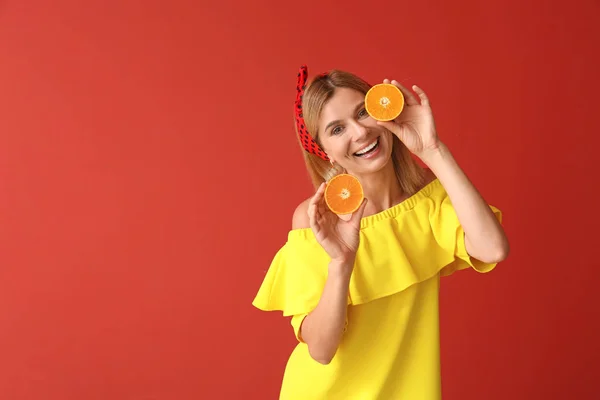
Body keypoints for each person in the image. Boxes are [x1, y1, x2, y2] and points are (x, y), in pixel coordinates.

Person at [252, 65, 509, 399]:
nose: (359, 133)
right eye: (337, 129)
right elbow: (320, 350)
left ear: (383, 111)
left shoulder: (430, 202)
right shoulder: (317, 218)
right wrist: (341, 263)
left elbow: (492, 249)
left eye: (363, 112)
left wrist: (432, 150)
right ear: (323, 150)